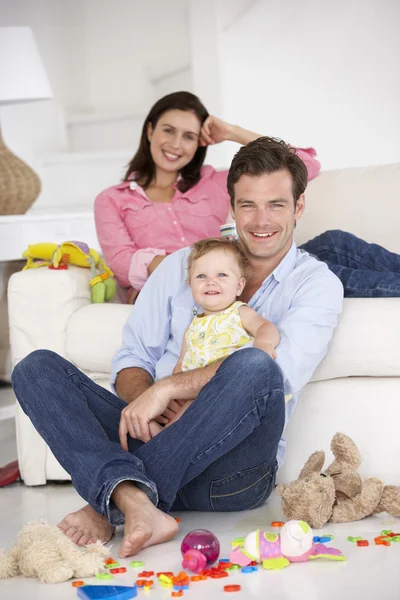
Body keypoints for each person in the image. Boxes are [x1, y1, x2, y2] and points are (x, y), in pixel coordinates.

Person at [11, 136, 343, 560]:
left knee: (255, 365)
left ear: (298, 208)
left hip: (231, 475)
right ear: (231, 206)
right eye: (247, 205)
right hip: (151, 440)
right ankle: (136, 503)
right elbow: (133, 361)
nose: (261, 220)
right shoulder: (179, 268)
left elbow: (274, 376)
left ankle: (110, 500)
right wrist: (144, 402)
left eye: (276, 204)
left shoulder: (317, 285)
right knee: (36, 368)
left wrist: (167, 389)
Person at [93, 91, 320, 302]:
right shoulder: (111, 200)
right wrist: (206, 268)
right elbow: (123, 266)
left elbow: (305, 165)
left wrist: (233, 132)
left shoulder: (215, 182)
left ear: (199, 143)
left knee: (333, 245)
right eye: (169, 130)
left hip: (242, 284)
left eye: (189, 136)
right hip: (179, 297)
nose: (176, 144)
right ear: (150, 131)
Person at [149, 237, 281, 437]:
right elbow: (181, 366)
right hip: (192, 394)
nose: (211, 281)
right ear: (190, 285)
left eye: (222, 275)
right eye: (201, 276)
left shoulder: (238, 312)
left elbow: (265, 326)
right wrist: (174, 392)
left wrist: (262, 346)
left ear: (239, 286)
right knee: (171, 427)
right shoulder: (192, 326)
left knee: (179, 429)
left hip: (224, 395)